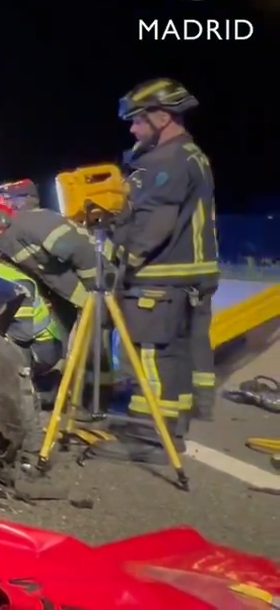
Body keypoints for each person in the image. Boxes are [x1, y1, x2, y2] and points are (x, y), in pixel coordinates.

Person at [102, 78, 218, 460]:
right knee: (173, 354)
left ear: (163, 117)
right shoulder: (190, 155)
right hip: (185, 276)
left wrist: (123, 260)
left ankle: (154, 438)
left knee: (151, 355)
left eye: (138, 121)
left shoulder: (165, 161)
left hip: (160, 275)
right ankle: (173, 426)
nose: (134, 130)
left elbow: (154, 222)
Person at [0, 191, 106, 327]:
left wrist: (99, 293)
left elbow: (84, 251)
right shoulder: (7, 244)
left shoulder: (33, 224)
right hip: (81, 303)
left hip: (104, 293)